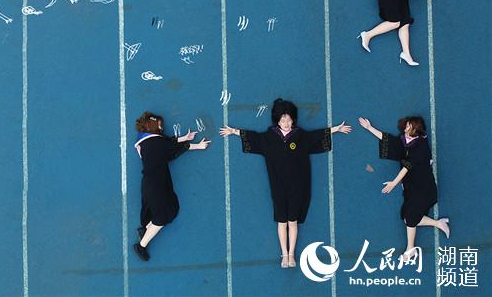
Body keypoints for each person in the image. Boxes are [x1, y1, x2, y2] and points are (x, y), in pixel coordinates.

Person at [220, 99, 351, 268]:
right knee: (282, 221)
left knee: (293, 221)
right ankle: (284, 254)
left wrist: (336, 129)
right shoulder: (269, 138)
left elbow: (316, 136)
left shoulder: (300, 136)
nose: (286, 123)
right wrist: (233, 131)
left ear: (293, 119)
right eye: (283, 120)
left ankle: (291, 254)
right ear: (277, 120)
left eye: (289, 120)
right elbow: (253, 137)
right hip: (278, 186)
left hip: (297, 186)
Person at [358, 116, 449, 262]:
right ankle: (438, 223)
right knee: (408, 217)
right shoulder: (407, 140)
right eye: (406, 126)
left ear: (416, 130)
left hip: (423, 187)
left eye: (409, 127)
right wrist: (370, 128)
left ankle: (410, 249)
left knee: (410, 218)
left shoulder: (420, 147)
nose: (406, 129)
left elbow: (406, 167)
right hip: (412, 185)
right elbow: (390, 141)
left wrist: (394, 183)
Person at [133, 111, 210, 261]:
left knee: (163, 210)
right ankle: (141, 246)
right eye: (159, 125)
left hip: (150, 183)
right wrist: (198, 146)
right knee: (163, 216)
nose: (161, 128)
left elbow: (166, 144)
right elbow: (170, 147)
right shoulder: (156, 142)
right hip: (156, 185)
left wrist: (184, 138)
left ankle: (146, 229)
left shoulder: (145, 142)